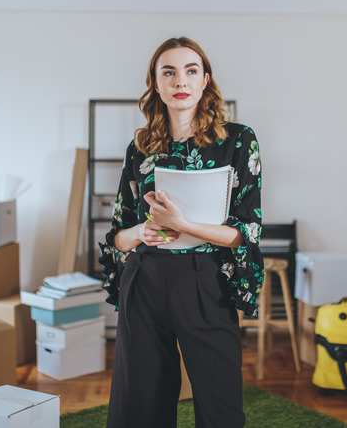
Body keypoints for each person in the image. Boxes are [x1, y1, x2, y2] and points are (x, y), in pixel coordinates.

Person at [99, 36, 264, 428]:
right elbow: (117, 239)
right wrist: (143, 230)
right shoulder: (139, 148)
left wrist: (182, 225)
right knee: (139, 406)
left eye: (190, 71)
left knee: (220, 404)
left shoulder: (238, 141)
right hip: (145, 280)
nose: (180, 81)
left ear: (205, 80)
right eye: (168, 72)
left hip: (205, 281)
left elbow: (246, 233)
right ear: (156, 84)